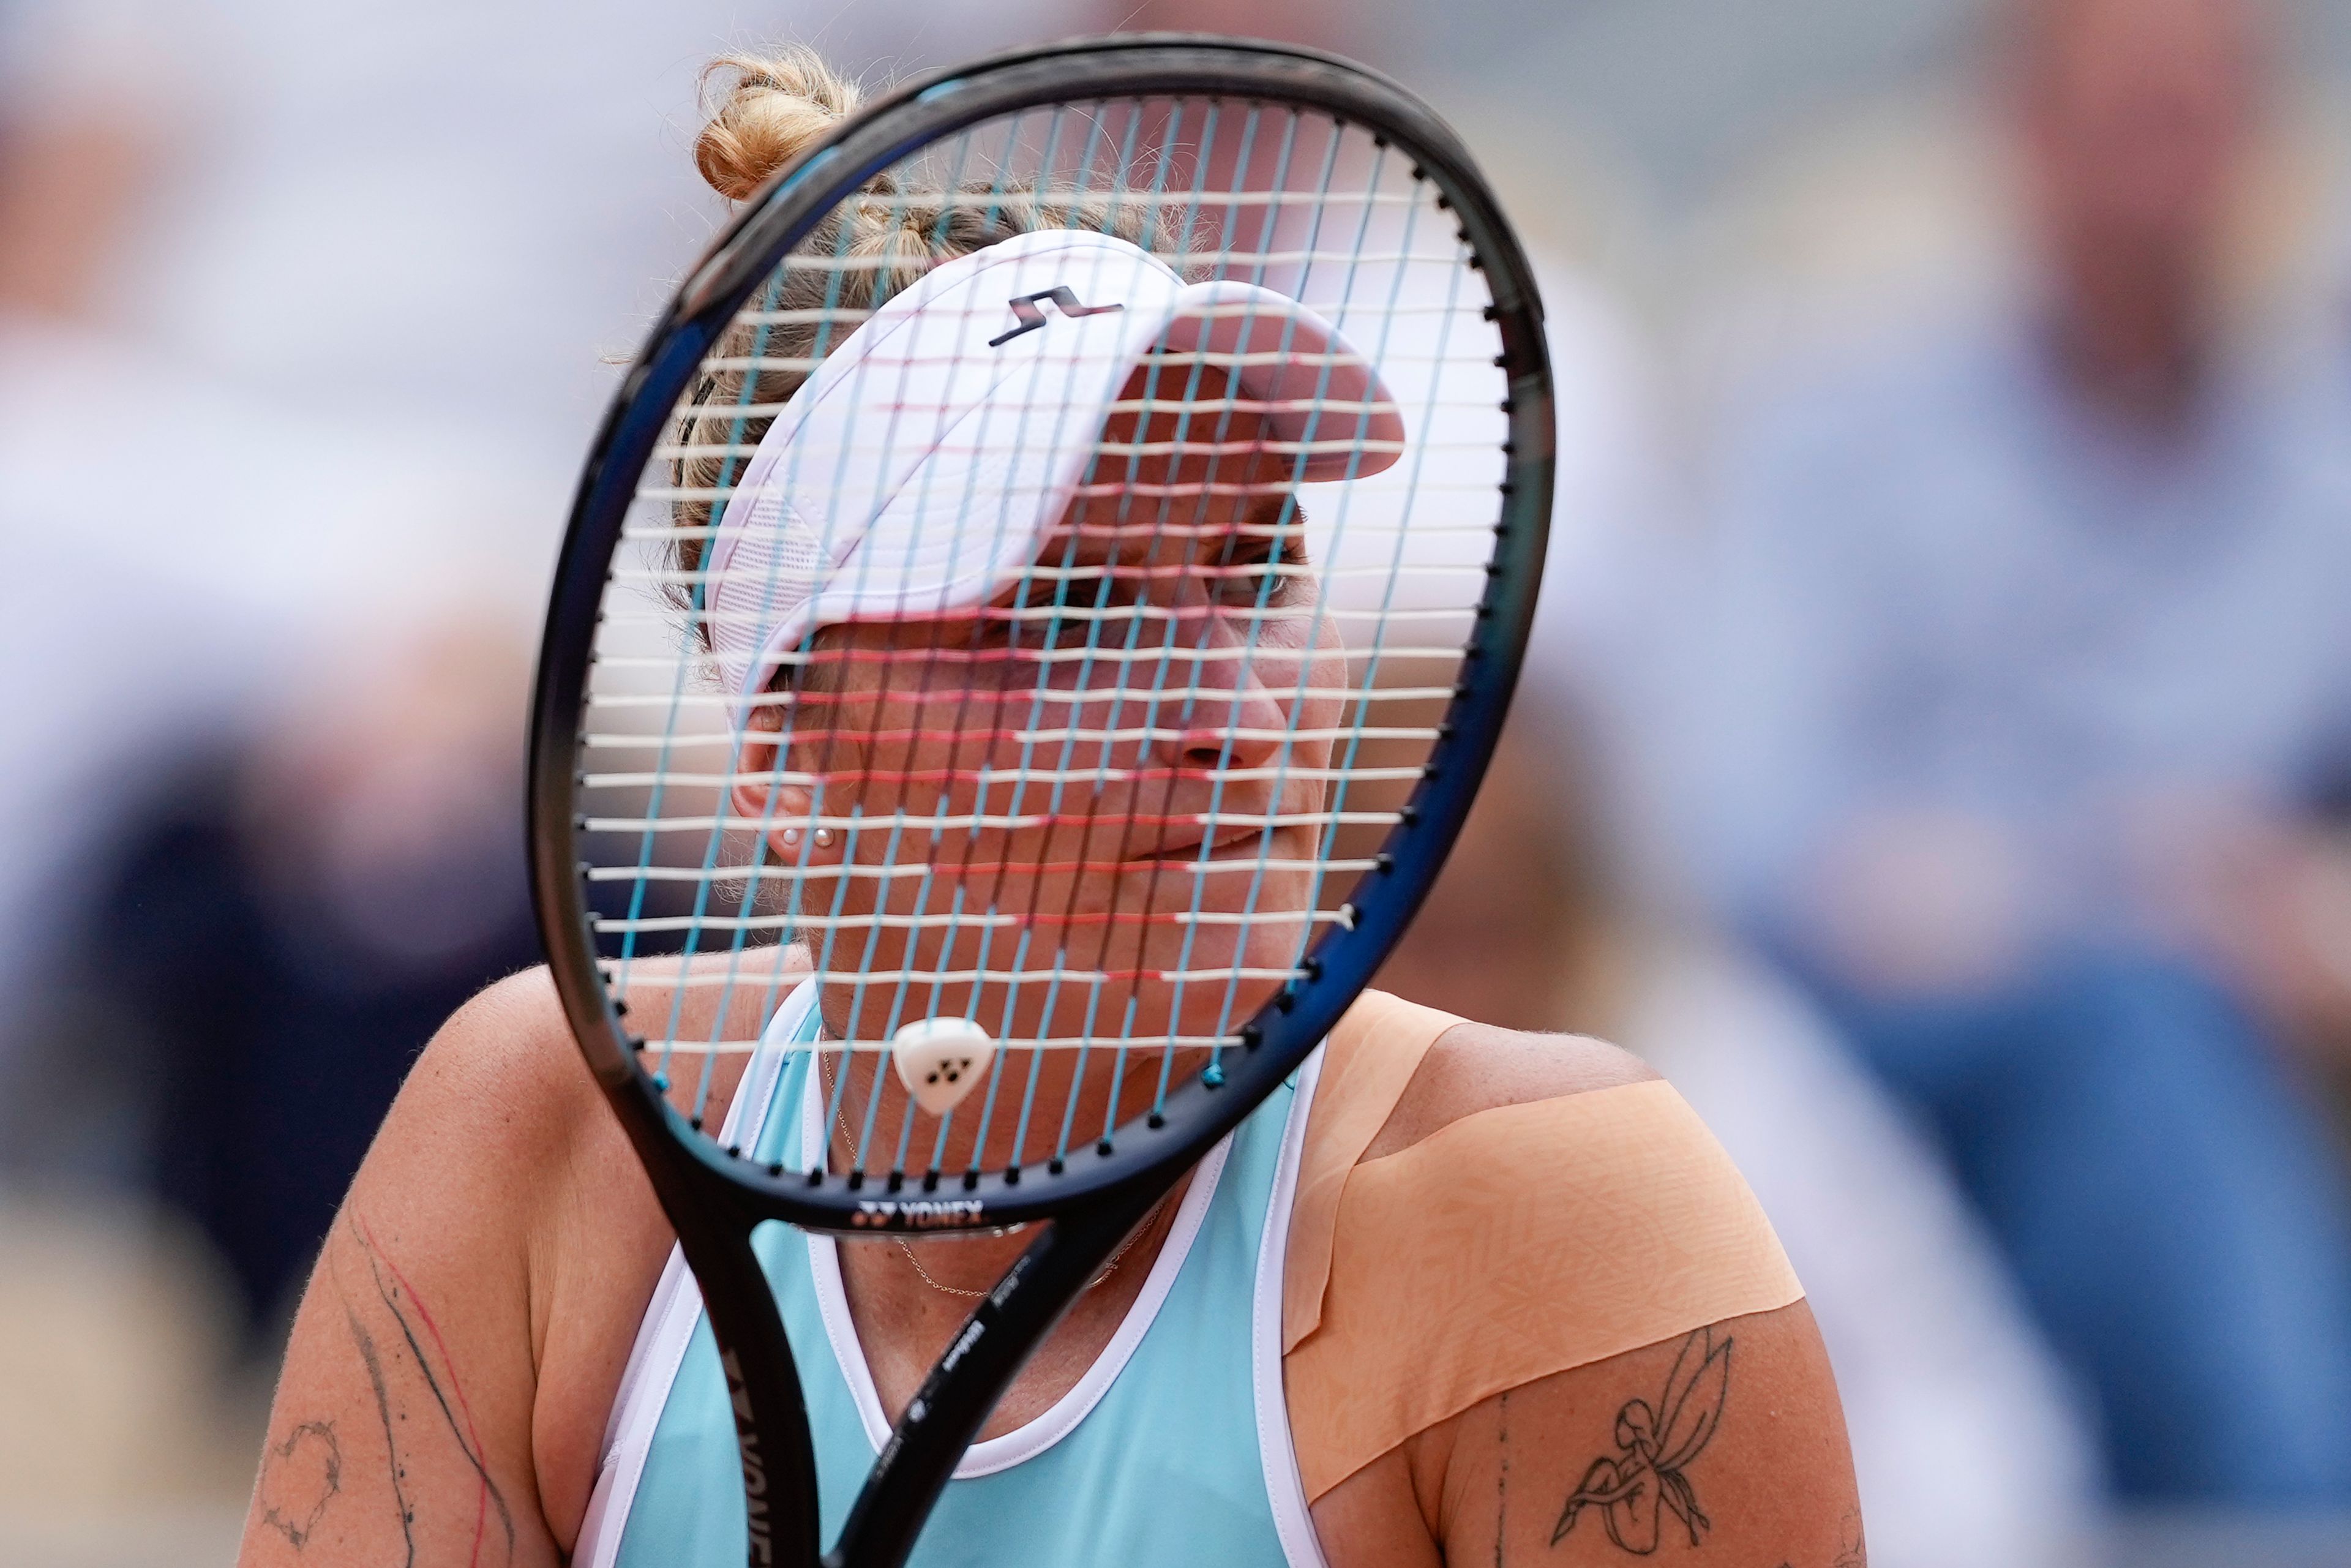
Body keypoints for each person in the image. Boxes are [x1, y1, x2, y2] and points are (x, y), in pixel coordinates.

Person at [236, 50, 1860, 1568]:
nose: (1226, 710)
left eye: (1247, 572)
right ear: (785, 760)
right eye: (1064, 606)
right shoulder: (543, 1141)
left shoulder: (1551, 1211)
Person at [1691, 0, 2351, 1501]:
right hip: (1885, 1036)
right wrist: (2099, 883)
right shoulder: (1840, 430)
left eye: (2195, 122)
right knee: (2137, 1031)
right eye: (2118, 121)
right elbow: (1738, 825)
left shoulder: (2324, 453)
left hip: (2198, 1038)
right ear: (2018, 139)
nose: (2155, 180)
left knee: (2149, 1053)